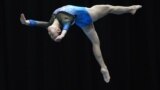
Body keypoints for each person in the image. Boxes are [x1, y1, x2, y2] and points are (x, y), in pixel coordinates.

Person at [20, 4, 142, 83]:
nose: (50, 34)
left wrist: (26, 22)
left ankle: (104, 67)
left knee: (95, 43)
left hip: (81, 21)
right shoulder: (64, 20)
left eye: (50, 35)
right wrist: (62, 35)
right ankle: (131, 9)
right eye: (53, 35)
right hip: (88, 14)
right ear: (58, 30)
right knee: (110, 8)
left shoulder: (50, 23)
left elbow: (38, 23)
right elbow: (67, 24)